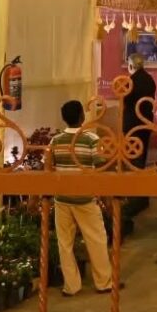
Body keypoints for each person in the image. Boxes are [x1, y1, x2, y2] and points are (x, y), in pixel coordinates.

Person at [50, 100, 114, 296]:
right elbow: (100, 170)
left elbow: (48, 168)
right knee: (97, 240)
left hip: (62, 199)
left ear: (64, 118)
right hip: (85, 199)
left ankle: (71, 286)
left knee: (65, 244)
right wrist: (107, 200)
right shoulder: (91, 139)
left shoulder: (56, 141)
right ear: (82, 116)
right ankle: (103, 283)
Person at [122, 54, 156, 218]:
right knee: (141, 159)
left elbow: (125, 100)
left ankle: (135, 197)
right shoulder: (149, 79)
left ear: (131, 65)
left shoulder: (131, 81)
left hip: (132, 124)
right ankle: (142, 196)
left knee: (133, 160)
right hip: (145, 123)